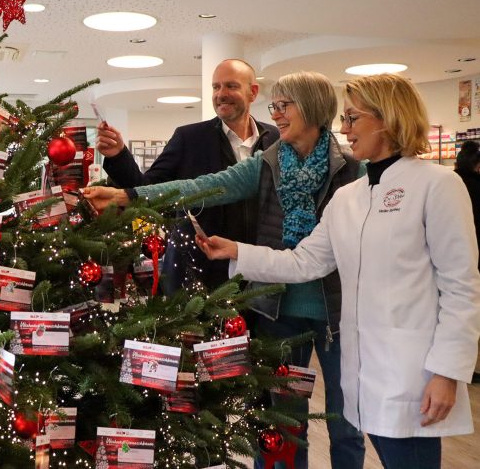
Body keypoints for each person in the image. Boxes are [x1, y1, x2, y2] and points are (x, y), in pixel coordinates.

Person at [196, 74, 480, 469]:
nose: (344, 129)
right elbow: (304, 261)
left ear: (387, 119)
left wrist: (448, 372)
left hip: (414, 373)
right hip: (362, 369)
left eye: (352, 117)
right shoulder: (350, 197)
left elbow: (461, 287)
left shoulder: (439, 185)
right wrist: (236, 250)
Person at [84, 71, 366, 469]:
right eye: (276, 107)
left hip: (338, 314)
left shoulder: (354, 173)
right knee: (283, 423)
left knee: (347, 423)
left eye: (285, 106)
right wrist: (126, 194)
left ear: (313, 109)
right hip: (277, 310)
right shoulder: (267, 163)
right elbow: (203, 186)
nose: (278, 115)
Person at [95, 59, 278, 293]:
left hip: (260, 273)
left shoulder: (275, 140)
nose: (221, 94)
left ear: (253, 92)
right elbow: (147, 187)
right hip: (198, 278)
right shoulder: (190, 138)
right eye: (216, 87)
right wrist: (119, 155)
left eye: (231, 86)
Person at [454, 139, 480, 269]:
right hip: (474, 243)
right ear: (477, 165)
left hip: (451, 245)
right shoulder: (476, 184)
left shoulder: (447, 182)